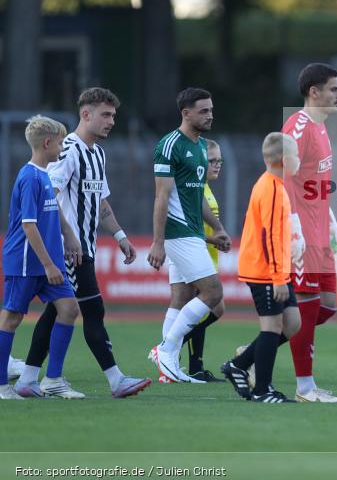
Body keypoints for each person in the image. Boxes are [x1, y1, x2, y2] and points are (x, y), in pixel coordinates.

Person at [16, 88, 151, 399]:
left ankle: (29, 377)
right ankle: (115, 380)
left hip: (84, 248)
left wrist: (120, 236)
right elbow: (47, 194)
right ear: (85, 114)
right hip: (69, 250)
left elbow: (100, 203)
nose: (111, 121)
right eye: (105, 114)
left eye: (114, 116)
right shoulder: (68, 151)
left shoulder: (98, 154)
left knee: (58, 311)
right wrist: (66, 236)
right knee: (91, 310)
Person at [147, 88, 231, 383]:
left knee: (182, 296)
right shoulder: (169, 145)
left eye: (211, 110)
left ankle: (168, 370)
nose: (210, 115)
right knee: (213, 293)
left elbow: (197, 198)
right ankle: (166, 350)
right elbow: (161, 196)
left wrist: (218, 228)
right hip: (179, 232)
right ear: (186, 113)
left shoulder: (199, 146)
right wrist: (158, 242)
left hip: (193, 231)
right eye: (204, 111)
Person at [0, 116, 79, 400]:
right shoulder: (29, 177)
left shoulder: (43, 174)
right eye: (59, 142)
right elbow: (28, 225)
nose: (62, 147)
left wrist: (69, 234)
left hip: (49, 263)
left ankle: (53, 379)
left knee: (69, 309)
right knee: (12, 318)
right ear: (47, 143)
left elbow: (54, 209)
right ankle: (2, 387)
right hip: (26, 261)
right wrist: (47, 265)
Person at [281, 63, 337, 402]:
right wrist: (293, 228)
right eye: (334, 89)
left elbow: (312, 184)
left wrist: (332, 220)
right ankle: (305, 387)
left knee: (327, 307)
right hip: (303, 236)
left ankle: (253, 352)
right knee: (306, 304)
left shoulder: (321, 128)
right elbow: (282, 179)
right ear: (314, 92)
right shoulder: (298, 126)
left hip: (321, 234)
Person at [221, 133, 301, 403]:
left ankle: (238, 365)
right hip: (266, 271)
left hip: (277, 270)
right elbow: (269, 236)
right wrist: (278, 277)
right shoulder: (272, 188)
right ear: (284, 160)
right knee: (272, 327)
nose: (299, 160)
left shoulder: (277, 184)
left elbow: (279, 232)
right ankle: (262, 390)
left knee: (292, 324)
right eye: (296, 155)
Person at [180, 138, 226, 382]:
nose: (217, 165)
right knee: (212, 308)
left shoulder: (206, 188)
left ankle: (190, 362)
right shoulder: (195, 188)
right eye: (212, 161)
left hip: (208, 258)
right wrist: (214, 240)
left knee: (211, 310)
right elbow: (190, 228)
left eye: (220, 160)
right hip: (196, 258)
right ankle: (170, 348)